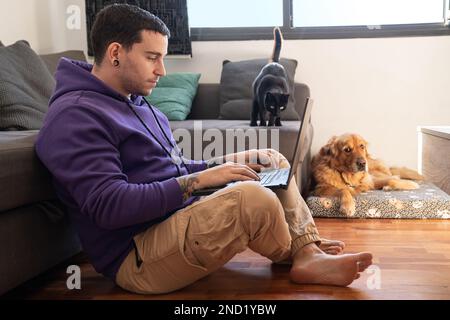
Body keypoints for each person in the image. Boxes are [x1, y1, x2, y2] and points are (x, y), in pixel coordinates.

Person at [35, 4, 372, 295]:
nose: (162, 71)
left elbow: (172, 168)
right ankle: (303, 251)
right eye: (152, 57)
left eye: (162, 58)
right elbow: (110, 206)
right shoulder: (75, 116)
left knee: (271, 162)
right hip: (138, 256)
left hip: (175, 219)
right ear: (115, 54)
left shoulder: (134, 102)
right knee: (252, 197)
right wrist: (201, 181)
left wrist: (223, 162)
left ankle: (304, 249)